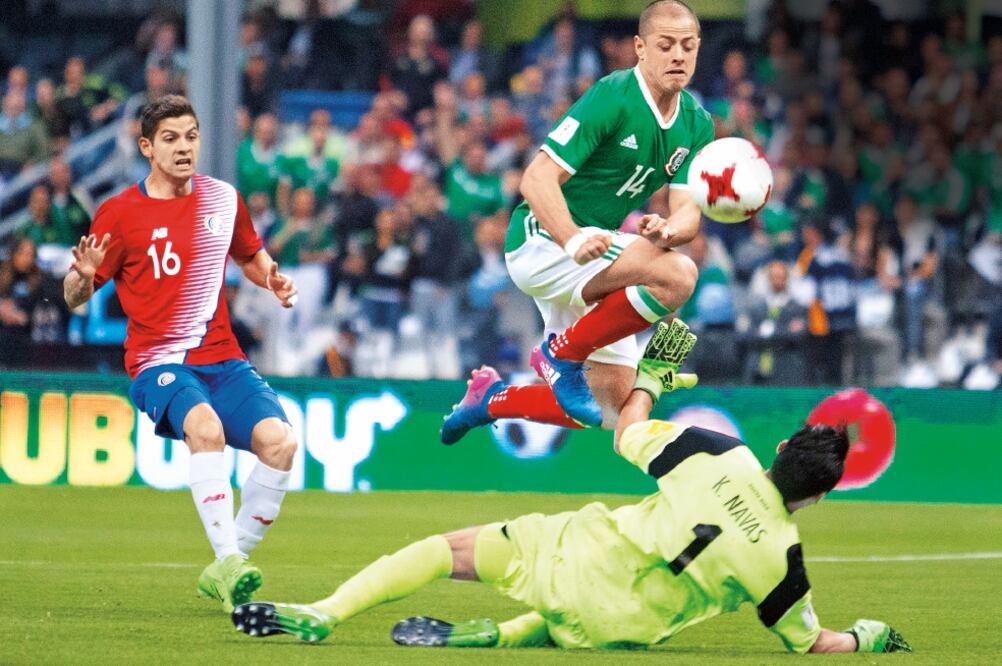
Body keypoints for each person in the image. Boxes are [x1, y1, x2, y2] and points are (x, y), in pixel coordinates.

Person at [231, 331, 910, 655]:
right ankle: (498, 637)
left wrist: (653, 372)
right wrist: (869, 637)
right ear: (820, 497)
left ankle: (326, 611)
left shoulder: (720, 455)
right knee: (587, 614)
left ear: (782, 449)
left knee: (448, 550)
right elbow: (815, 644)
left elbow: (627, 431)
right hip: (621, 633)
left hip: (574, 559)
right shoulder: (784, 563)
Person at [62, 95, 300, 613]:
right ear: (147, 147)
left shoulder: (222, 200)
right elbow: (74, 297)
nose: (184, 147)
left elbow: (249, 255)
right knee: (206, 429)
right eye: (170, 138)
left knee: (281, 444)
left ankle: (226, 566)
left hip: (224, 359)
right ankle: (231, 561)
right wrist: (81, 279)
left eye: (191, 135)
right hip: (160, 363)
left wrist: (271, 279)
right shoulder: (120, 214)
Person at [440, 0, 712, 444]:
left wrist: (669, 229)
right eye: (666, 45)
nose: (678, 56)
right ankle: (562, 353)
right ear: (640, 48)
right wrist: (570, 239)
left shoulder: (696, 123)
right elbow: (535, 178)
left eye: (688, 46)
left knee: (609, 410)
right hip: (542, 242)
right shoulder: (614, 95)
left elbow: (687, 211)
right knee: (678, 273)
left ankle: (488, 400)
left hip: (596, 250)